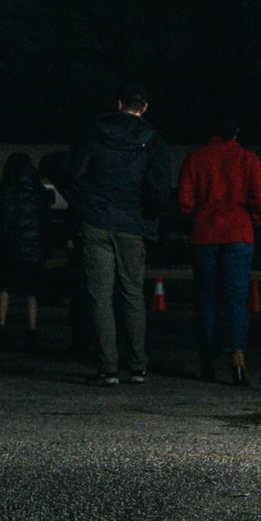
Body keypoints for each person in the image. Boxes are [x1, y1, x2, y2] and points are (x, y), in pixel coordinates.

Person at [53, 87, 175, 386]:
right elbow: (159, 187)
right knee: (133, 294)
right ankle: (137, 365)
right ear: (144, 107)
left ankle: (107, 367)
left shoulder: (94, 132)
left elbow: (73, 170)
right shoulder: (154, 141)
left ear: (118, 104)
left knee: (100, 296)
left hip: (96, 220)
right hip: (133, 224)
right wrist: (150, 218)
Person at [175, 116, 261, 387]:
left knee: (206, 299)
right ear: (236, 132)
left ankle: (207, 361)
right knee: (236, 299)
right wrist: (252, 218)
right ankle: (238, 360)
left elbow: (184, 201)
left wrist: (198, 217)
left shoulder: (195, 159)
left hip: (204, 233)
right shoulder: (249, 159)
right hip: (238, 232)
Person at [0, 151, 55, 347]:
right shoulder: (39, 190)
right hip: (34, 246)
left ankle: (1, 326)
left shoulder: (4, 188)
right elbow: (46, 221)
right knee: (32, 289)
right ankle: (32, 329)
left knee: (5, 286)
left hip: (10, 246)